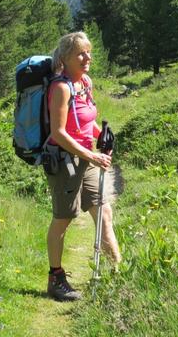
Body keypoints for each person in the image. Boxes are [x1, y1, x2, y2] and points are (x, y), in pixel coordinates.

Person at [44, 31, 121, 302]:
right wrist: (91, 154)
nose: (87, 57)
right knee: (63, 220)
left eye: (88, 51)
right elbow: (59, 132)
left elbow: (86, 122)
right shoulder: (61, 88)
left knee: (104, 213)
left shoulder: (85, 82)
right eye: (80, 53)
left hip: (87, 157)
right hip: (66, 160)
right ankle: (56, 278)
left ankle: (118, 275)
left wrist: (100, 137)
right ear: (65, 58)